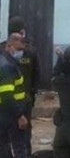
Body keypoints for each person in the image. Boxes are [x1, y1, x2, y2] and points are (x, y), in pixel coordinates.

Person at [3, 17, 39, 154]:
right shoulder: (30, 51)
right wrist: (32, 96)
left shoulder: (2, 48)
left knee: (4, 139)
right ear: (23, 31)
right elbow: (37, 76)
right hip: (24, 101)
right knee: (23, 139)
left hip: (4, 102)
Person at [0, 33, 28, 158]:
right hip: (11, 115)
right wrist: (19, 115)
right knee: (19, 149)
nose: (20, 53)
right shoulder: (7, 66)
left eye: (22, 50)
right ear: (8, 46)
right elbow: (7, 96)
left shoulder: (6, 61)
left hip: (5, 113)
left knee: (4, 148)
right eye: (18, 49)